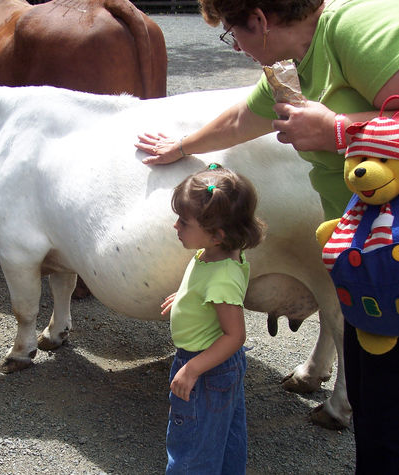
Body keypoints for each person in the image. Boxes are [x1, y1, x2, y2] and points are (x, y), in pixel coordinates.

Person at [136, 1, 399, 472]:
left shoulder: (362, 27)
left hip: (390, 263)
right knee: (375, 407)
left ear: (259, 19)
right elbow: (242, 120)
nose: (234, 45)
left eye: (232, 32)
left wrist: (338, 131)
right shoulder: (299, 59)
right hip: (369, 265)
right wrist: (183, 145)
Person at [162, 164, 264, 474]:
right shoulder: (217, 254)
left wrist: (192, 369)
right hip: (220, 369)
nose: (175, 226)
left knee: (193, 449)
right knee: (225, 436)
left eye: (184, 221)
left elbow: (234, 336)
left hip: (206, 368)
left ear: (217, 234)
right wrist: (185, 297)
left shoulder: (222, 277)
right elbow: (205, 289)